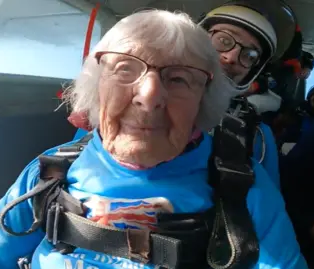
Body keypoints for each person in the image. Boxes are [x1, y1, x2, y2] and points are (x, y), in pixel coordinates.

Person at [0, 10, 307, 269]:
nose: (149, 96)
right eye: (125, 69)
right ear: (95, 89)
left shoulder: (246, 184)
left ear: (204, 100)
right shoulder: (54, 169)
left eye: (180, 78)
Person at [70, 1, 298, 189]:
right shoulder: (120, 108)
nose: (230, 57)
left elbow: (266, 210)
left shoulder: (257, 136)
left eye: (249, 55)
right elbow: (75, 163)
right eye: (223, 40)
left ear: (254, 70)